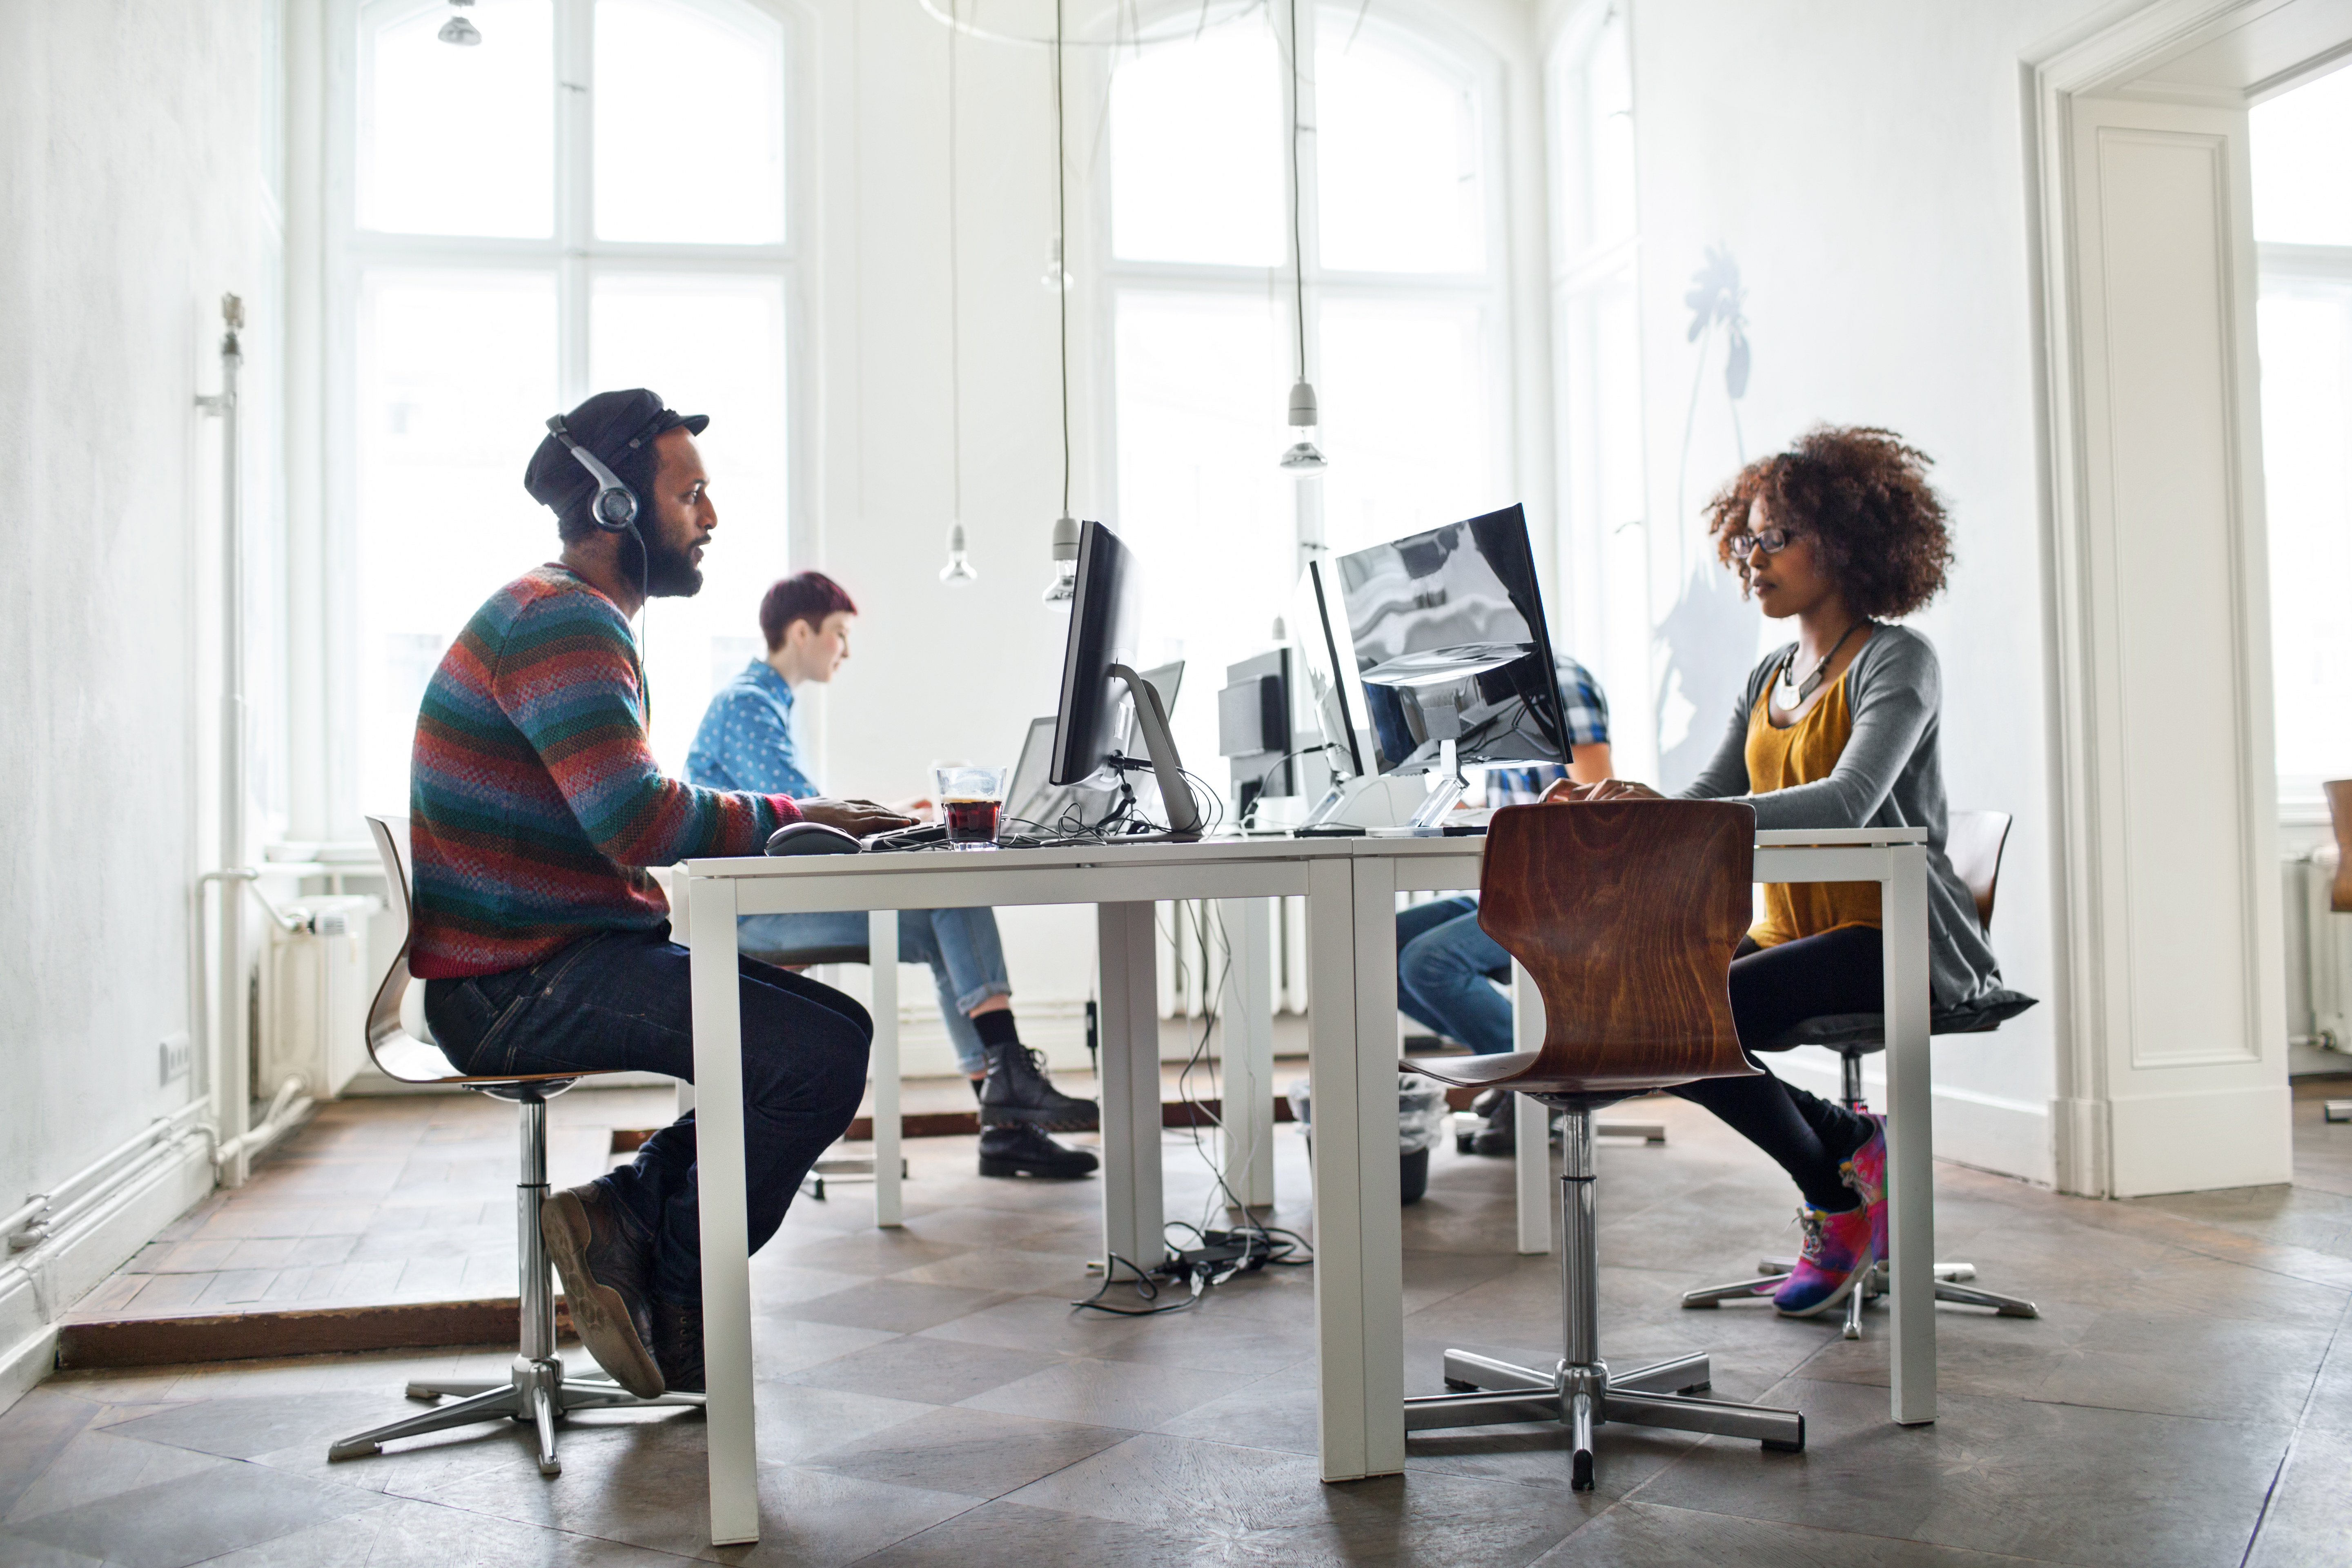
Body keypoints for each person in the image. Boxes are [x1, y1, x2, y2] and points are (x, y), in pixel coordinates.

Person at [409, 388, 915, 1397]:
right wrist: (802, 820)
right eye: (690, 495)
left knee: (826, 1039)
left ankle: (629, 1223)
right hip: (519, 986)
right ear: (614, 510)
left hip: (548, 961)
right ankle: (674, 1302)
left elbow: (630, 810)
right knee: (814, 1056)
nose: (711, 519)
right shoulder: (560, 624)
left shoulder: (570, 616)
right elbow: (636, 818)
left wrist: (798, 819)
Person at [1546, 425, 2007, 1318]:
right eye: (1747, 539)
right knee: (1652, 1014)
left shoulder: (1898, 660)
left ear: (1846, 543)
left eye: (1776, 538)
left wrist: (1683, 817)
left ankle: (1837, 1197)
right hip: (1793, 928)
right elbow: (1715, 794)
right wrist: (1640, 805)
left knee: (1686, 1018)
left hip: (1895, 937)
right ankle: (1843, 1144)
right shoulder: (1769, 675)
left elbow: (1849, 801)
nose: (1752, 558)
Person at [686, 571, 1100, 1181]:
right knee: (951, 893)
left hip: (771, 899)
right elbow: (801, 816)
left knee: (944, 922)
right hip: (751, 913)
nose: (845, 650)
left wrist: (894, 818)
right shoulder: (749, 702)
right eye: (840, 634)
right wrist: (892, 820)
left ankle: (1006, 1124)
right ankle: (1009, 1085)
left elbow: (803, 812)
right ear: (802, 632)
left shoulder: (768, 701)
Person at [1395, 658, 1615, 1155]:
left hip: (1566, 886)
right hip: (1506, 879)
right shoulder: (1474, 689)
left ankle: (1538, 1086)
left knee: (1430, 960)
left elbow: (1599, 802)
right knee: (1375, 946)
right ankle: (1516, 1073)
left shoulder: (1560, 683)